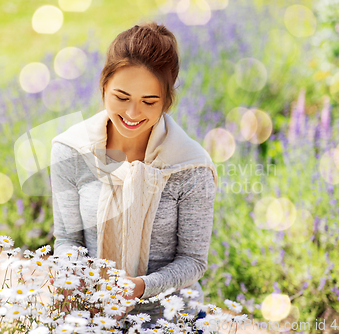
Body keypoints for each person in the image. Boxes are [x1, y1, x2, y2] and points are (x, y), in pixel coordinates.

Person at [49, 21, 218, 328]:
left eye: (149, 102)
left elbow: (193, 261)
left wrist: (140, 288)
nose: (131, 114)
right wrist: (69, 271)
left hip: (171, 320)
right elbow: (68, 239)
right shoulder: (71, 151)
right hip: (91, 318)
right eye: (121, 97)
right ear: (103, 86)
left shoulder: (190, 166)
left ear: (167, 101)